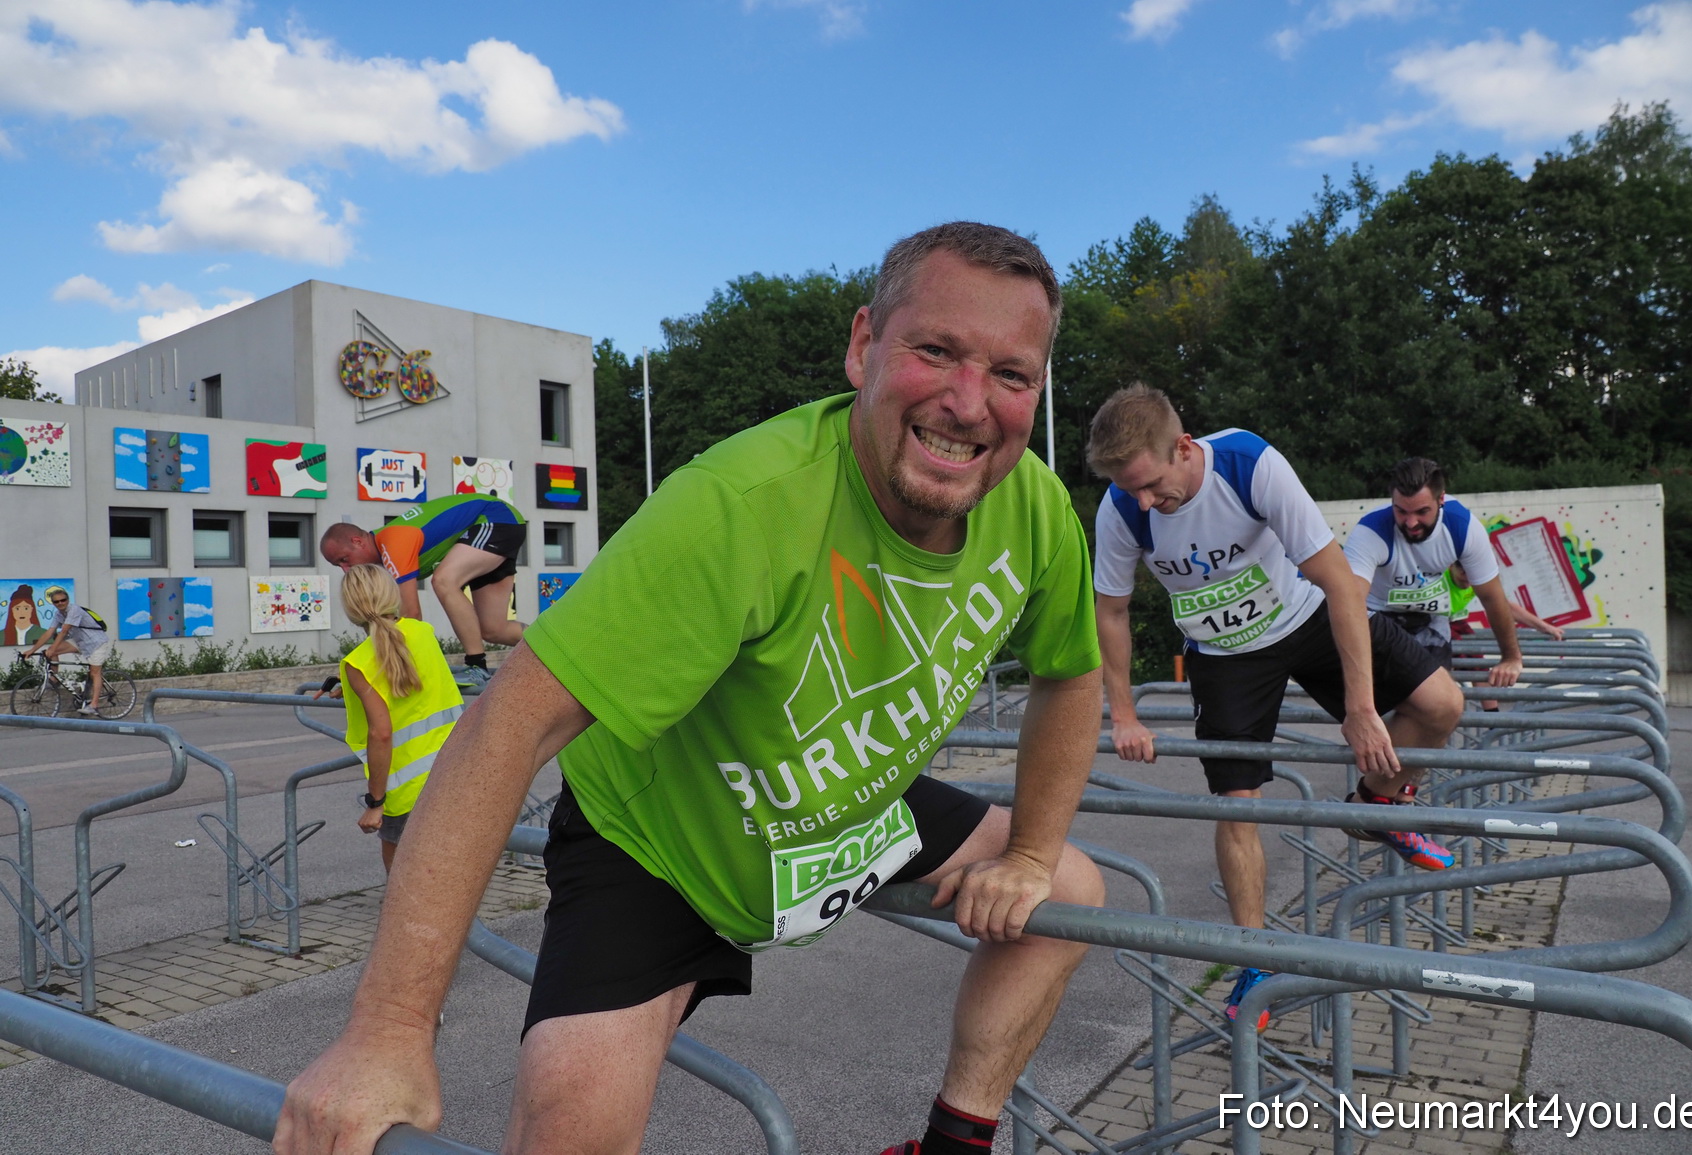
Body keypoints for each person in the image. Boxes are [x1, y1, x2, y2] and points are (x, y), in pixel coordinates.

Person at [276, 222, 1105, 1155]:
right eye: (936, 350)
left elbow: (1072, 675)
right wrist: (386, 1032)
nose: (968, 402)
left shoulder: (1035, 508)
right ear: (866, 345)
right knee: (569, 1130)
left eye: (1011, 374)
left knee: (1069, 882)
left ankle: (951, 1146)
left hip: (840, 803)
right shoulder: (738, 506)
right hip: (660, 843)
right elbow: (506, 726)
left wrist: (1030, 852)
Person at [1085, 385, 1462, 1030]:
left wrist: (1361, 709)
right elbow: (1111, 611)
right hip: (1226, 653)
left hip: (1309, 615)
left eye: (1150, 484)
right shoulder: (1122, 506)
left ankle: (1375, 804)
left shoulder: (1248, 464)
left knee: (1442, 703)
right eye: (1130, 490)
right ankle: (1253, 960)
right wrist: (1122, 713)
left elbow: (1339, 582)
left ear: (1182, 448)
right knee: (1238, 808)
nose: (1145, 501)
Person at [1343, 457, 1527, 685]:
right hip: (1378, 613)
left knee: (1441, 700)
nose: (1411, 522)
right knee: (1384, 694)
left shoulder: (1462, 527)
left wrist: (1511, 657)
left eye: (1421, 512)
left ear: (1441, 499)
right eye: (1401, 511)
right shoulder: (1371, 532)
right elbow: (1349, 603)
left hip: (1429, 618)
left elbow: (1492, 596)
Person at [332, 564, 465, 873]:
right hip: (455, 771)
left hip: (407, 795)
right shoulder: (423, 632)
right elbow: (407, 678)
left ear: (351, 609)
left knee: (405, 891)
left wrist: (374, 803)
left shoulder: (358, 664)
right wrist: (349, 688)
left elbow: (380, 733)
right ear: (392, 596)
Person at [320, 493, 528, 684]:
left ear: (358, 542)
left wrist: (379, 667)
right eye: (338, 566)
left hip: (497, 517)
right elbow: (386, 622)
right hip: (490, 529)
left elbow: (411, 615)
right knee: (493, 630)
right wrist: (354, 673)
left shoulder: (393, 544)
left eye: (345, 560)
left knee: (444, 581)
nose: (346, 570)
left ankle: (476, 666)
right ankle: (556, 641)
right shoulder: (385, 560)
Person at [1444, 561, 1564, 711]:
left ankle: (1493, 718)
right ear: (1451, 567)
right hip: (1431, 620)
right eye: (1462, 573)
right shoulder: (1440, 579)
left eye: (1471, 574)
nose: (1467, 579)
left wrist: (1545, 627)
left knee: (1477, 663)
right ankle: (1440, 709)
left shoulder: (1477, 579)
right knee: (1445, 663)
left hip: (1454, 620)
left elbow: (1505, 607)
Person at [21, 585, 112, 715]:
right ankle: (54, 680)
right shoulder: (58, 614)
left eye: (63, 600)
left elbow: (64, 631)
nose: (60, 603)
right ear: (53, 603)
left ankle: (94, 705)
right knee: (51, 650)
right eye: (56, 601)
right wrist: (32, 650)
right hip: (79, 641)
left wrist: (53, 648)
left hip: (95, 642)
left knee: (95, 673)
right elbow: (49, 632)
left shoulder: (74, 610)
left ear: (67, 599)